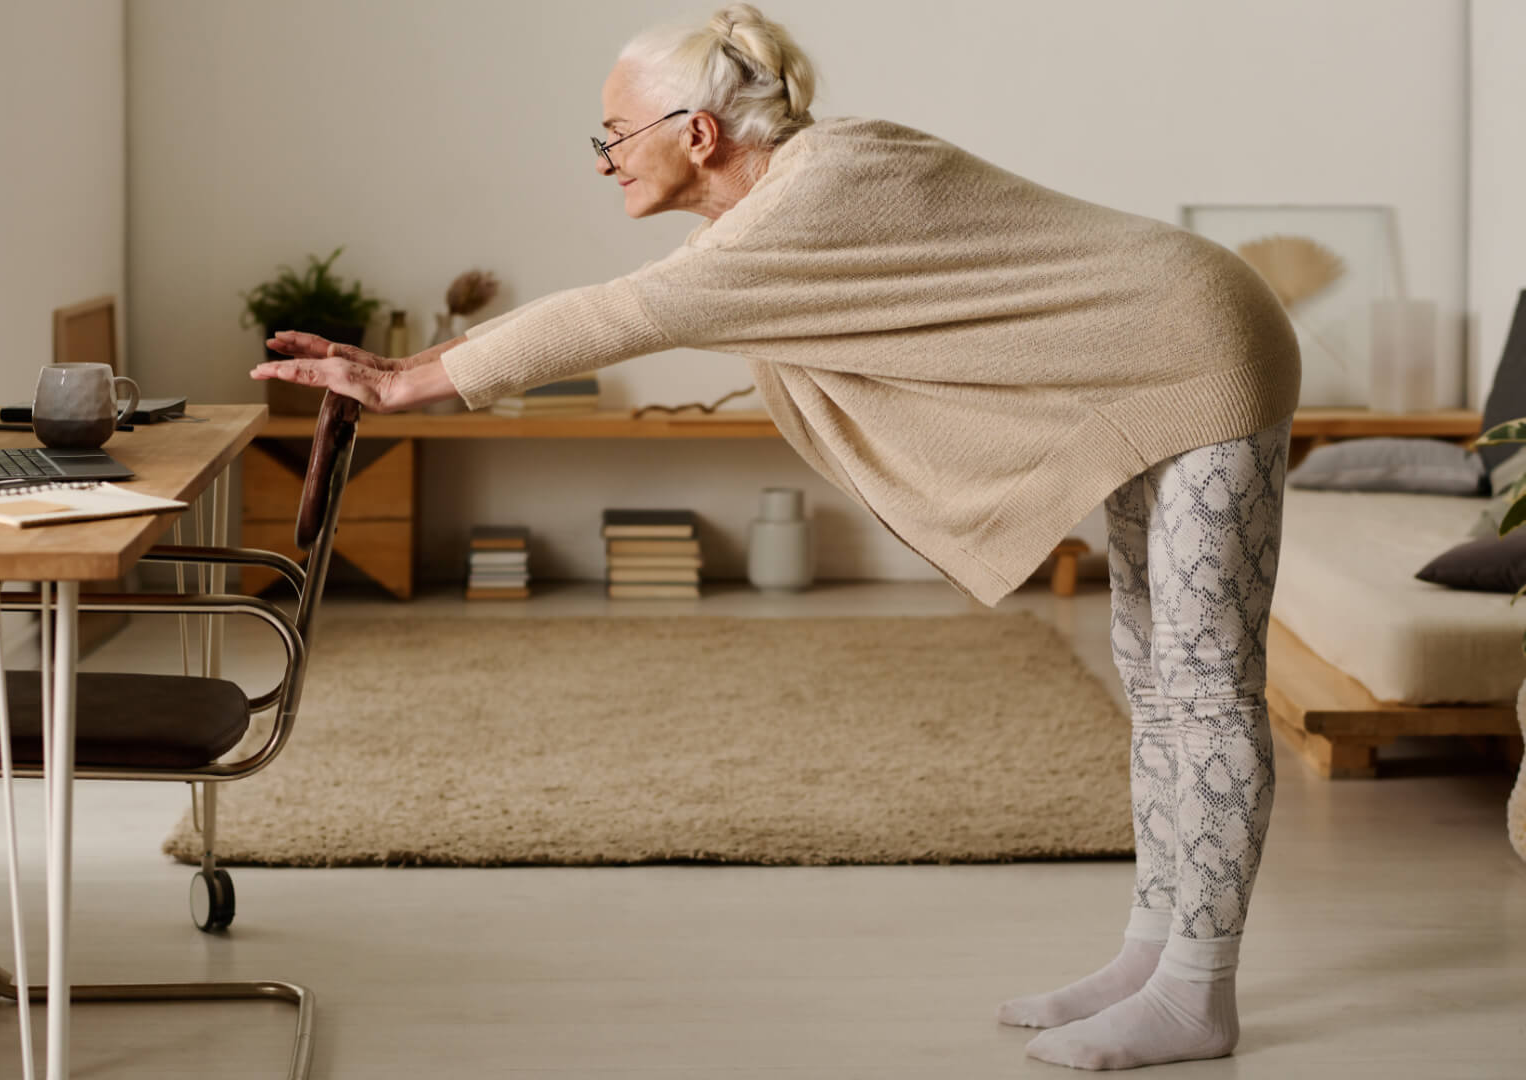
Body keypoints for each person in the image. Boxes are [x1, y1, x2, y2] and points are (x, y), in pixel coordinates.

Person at [253, 3, 1298, 1070]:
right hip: (1142, 352)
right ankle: (1153, 952)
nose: (603, 159)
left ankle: (1197, 993)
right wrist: (407, 375)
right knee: (1153, 672)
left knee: (1201, 682)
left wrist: (405, 379)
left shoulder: (818, 189)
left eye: (611, 135)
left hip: (1199, 344)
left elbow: (623, 313)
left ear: (696, 132)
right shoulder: (784, 203)